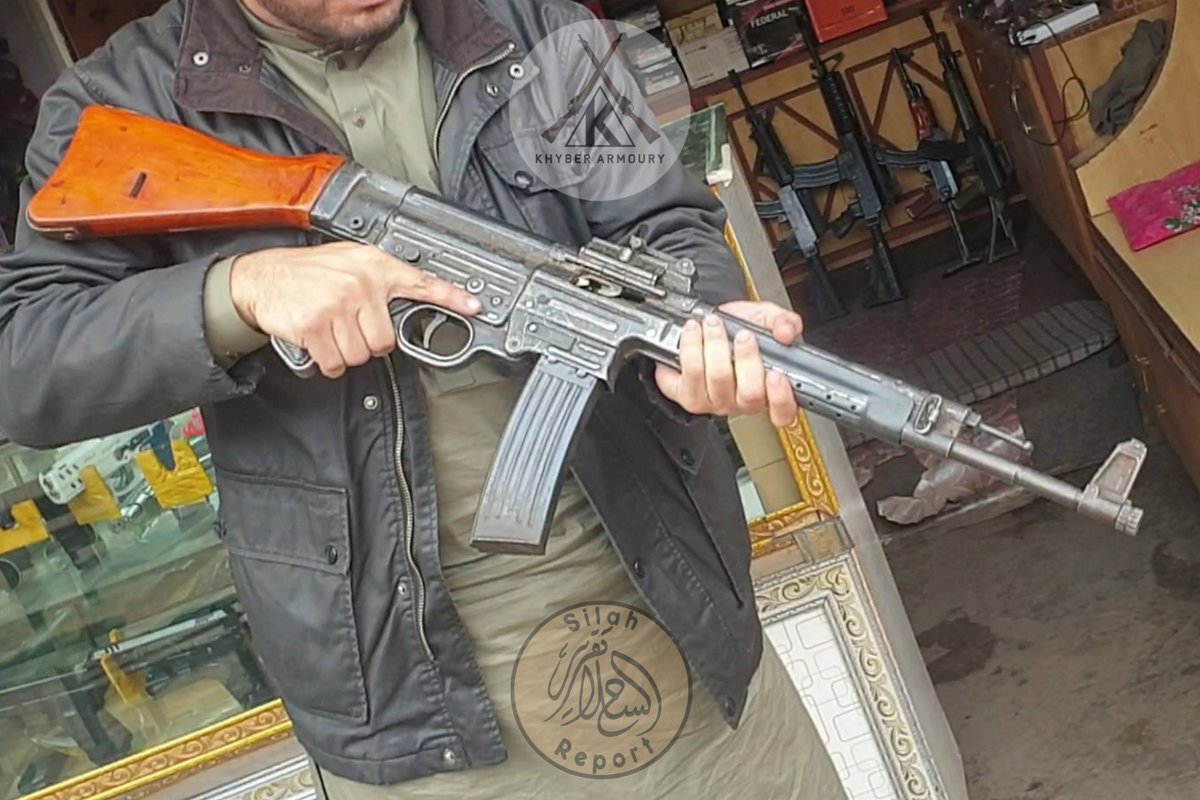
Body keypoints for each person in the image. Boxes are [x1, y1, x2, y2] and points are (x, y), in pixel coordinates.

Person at [0, 0, 847, 797]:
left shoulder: (533, 30)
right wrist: (239, 292)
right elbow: (27, 361)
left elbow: (667, 227)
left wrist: (703, 325)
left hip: (670, 599)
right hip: (396, 681)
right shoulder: (120, 103)